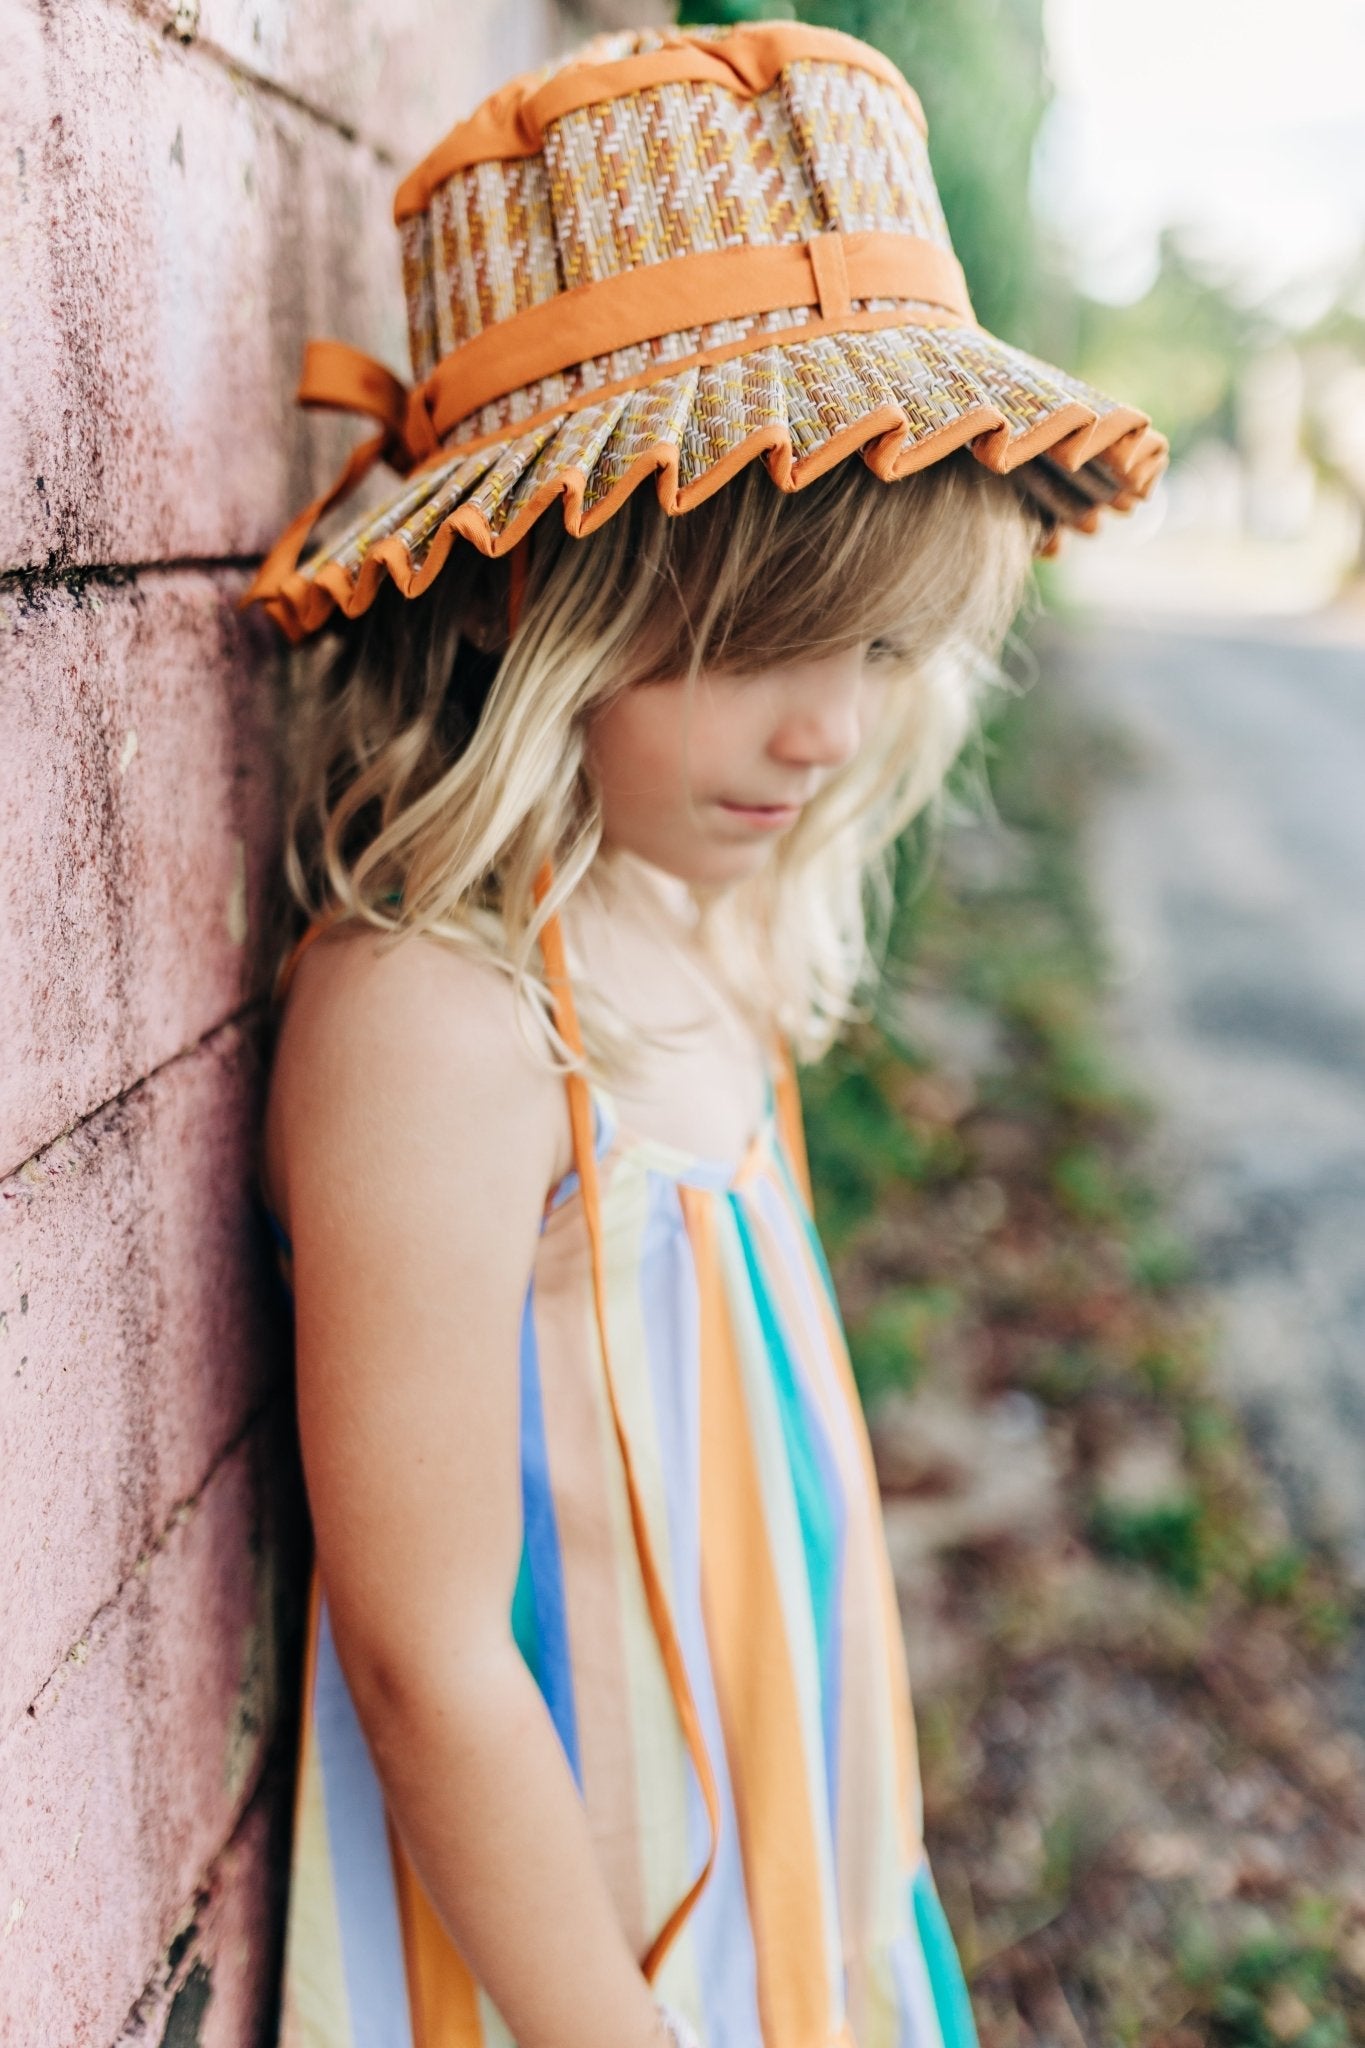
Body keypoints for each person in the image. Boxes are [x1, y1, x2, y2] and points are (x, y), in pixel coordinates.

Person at [245, 21, 1165, 2048]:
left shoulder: (684, 915)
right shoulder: (440, 1010)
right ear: (519, 592)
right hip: (580, 1968)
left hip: (781, 1885)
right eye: (756, 635)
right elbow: (425, 1650)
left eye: (871, 644)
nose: (825, 725)